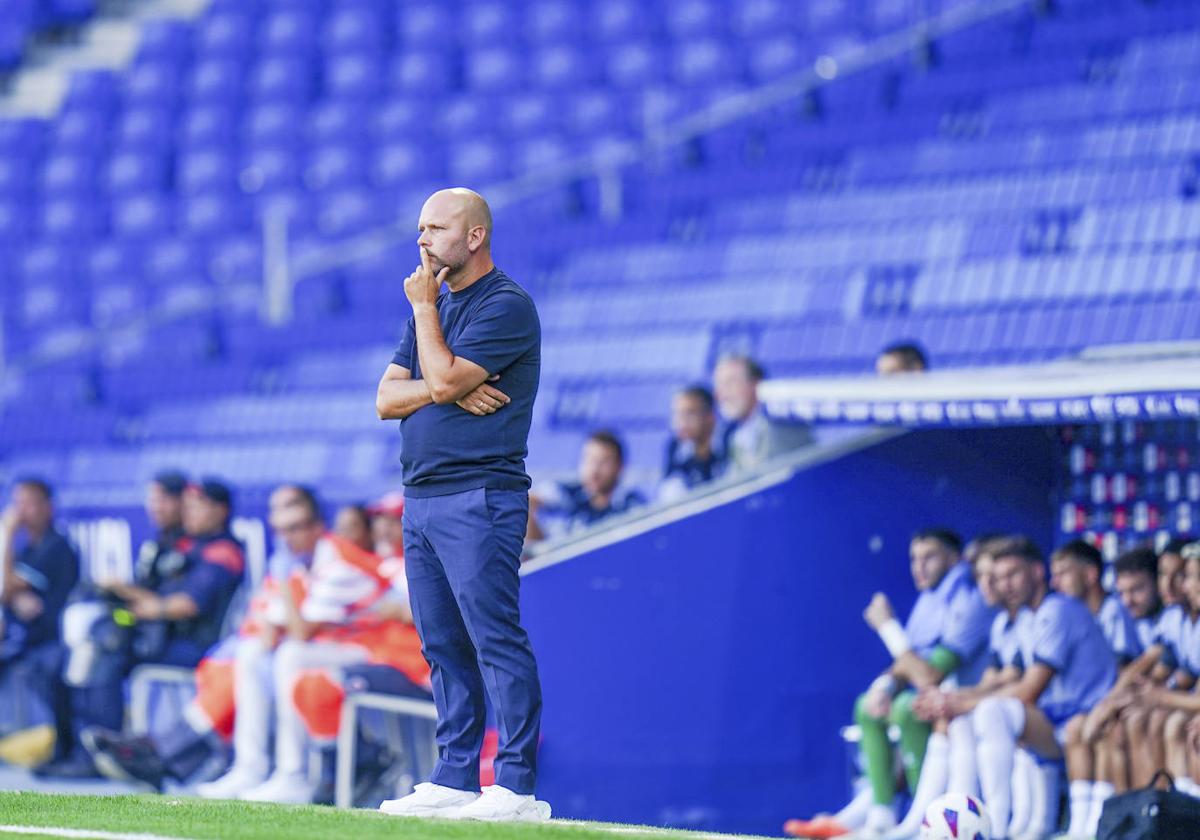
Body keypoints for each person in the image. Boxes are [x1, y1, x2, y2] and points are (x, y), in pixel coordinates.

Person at [374, 187, 549, 822]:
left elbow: (441, 378)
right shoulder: (435, 306)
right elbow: (387, 399)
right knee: (441, 642)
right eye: (419, 228)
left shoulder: (505, 305)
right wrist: (443, 387)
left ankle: (517, 786)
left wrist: (437, 362)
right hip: (420, 498)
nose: (422, 240)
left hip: (480, 495)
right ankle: (454, 774)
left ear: (474, 236)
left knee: (493, 637)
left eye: (435, 228)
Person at [784, 528, 993, 839]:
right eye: (914, 559)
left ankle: (921, 822)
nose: (919, 567)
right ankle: (877, 817)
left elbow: (926, 676)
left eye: (929, 557)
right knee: (868, 705)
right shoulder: (929, 599)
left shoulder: (968, 598)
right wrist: (885, 685)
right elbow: (909, 661)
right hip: (940, 702)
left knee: (910, 708)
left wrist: (888, 628)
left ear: (953, 559)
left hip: (965, 704)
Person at [51, 479, 245, 778]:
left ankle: (102, 754)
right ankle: (85, 747)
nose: (190, 513)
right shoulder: (181, 544)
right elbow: (156, 596)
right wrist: (125, 593)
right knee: (95, 639)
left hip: (196, 645)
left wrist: (142, 602)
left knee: (110, 650)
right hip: (164, 636)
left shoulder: (223, 551)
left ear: (220, 510)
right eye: (188, 507)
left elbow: (187, 604)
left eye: (198, 507)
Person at [946, 536, 1116, 840]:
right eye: (999, 579)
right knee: (976, 716)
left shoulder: (1057, 609)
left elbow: (1028, 692)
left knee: (994, 711)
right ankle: (972, 820)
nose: (1005, 585)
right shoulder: (1029, 617)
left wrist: (963, 703)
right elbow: (1012, 681)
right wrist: (957, 700)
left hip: (1092, 717)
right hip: (1059, 719)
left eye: (1013, 574)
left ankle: (994, 826)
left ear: (1038, 572)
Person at [0, 478, 80, 768]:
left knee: (46, 668)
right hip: (21, 639)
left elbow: (5, 587)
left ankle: (63, 747)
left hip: (50, 642)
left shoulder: (55, 547)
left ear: (48, 507)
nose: (22, 511)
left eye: (30, 503)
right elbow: (11, 592)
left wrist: (6, 533)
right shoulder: (30, 549)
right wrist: (15, 599)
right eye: (18, 503)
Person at [527, 430, 646, 542]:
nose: (594, 470)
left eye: (603, 462)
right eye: (589, 460)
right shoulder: (569, 492)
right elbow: (528, 500)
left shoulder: (632, 504)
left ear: (619, 467)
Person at [712, 354, 811, 472]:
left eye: (730, 383)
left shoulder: (783, 428)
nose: (722, 394)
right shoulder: (732, 437)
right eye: (719, 385)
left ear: (755, 384)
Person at [659, 385, 726, 502]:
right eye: (677, 414)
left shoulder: (729, 440)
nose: (681, 422)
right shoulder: (675, 447)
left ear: (710, 417)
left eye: (689, 414)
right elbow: (669, 495)